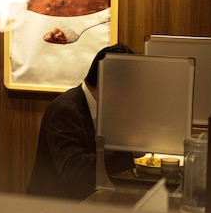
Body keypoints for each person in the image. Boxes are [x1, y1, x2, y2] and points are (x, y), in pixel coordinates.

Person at [26, 43, 136, 200]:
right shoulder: (65, 111)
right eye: (127, 89)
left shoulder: (101, 107)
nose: (128, 97)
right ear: (111, 84)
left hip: (83, 202)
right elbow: (73, 170)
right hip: (52, 209)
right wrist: (127, 152)